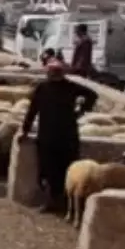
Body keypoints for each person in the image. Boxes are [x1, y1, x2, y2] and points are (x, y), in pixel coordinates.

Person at [21, 61, 97, 213]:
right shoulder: (59, 87)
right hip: (59, 135)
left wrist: (25, 130)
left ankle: (59, 203)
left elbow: (32, 111)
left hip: (57, 135)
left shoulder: (49, 88)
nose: (52, 75)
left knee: (59, 170)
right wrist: (81, 110)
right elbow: (33, 110)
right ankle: (57, 203)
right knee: (55, 170)